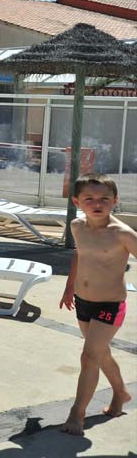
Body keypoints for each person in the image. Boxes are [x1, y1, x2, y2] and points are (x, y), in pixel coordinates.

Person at [58, 173, 135, 435]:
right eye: (89, 198)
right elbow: (81, 254)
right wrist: (70, 286)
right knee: (100, 354)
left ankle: (76, 415)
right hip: (83, 302)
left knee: (89, 356)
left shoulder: (122, 234)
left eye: (104, 198)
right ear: (77, 201)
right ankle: (120, 393)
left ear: (114, 200)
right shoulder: (77, 226)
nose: (97, 203)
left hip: (110, 306)